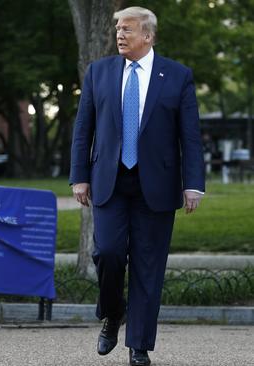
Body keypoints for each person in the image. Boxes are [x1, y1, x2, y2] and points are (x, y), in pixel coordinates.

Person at [69, 7, 204, 366]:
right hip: (109, 181)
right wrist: (78, 176)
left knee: (148, 265)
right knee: (108, 252)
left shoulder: (177, 76)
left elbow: (190, 136)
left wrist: (193, 184)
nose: (119, 34)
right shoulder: (99, 72)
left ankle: (139, 346)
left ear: (148, 35)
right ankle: (113, 314)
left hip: (156, 185)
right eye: (117, 28)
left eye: (127, 29)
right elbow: (84, 129)